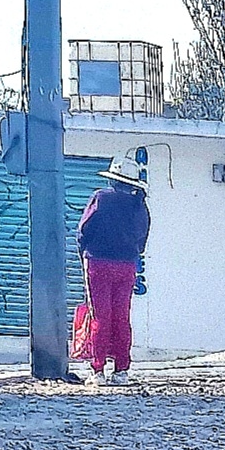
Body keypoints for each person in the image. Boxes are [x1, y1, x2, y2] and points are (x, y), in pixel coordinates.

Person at [76, 156, 150, 386]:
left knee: (100, 316)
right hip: (126, 266)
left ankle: (97, 370)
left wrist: (84, 251)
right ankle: (121, 370)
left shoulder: (101, 198)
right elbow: (142, 240)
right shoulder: (139, 205)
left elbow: (84, 230)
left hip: (98, 263)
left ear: (113, 180)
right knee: (121, 317)